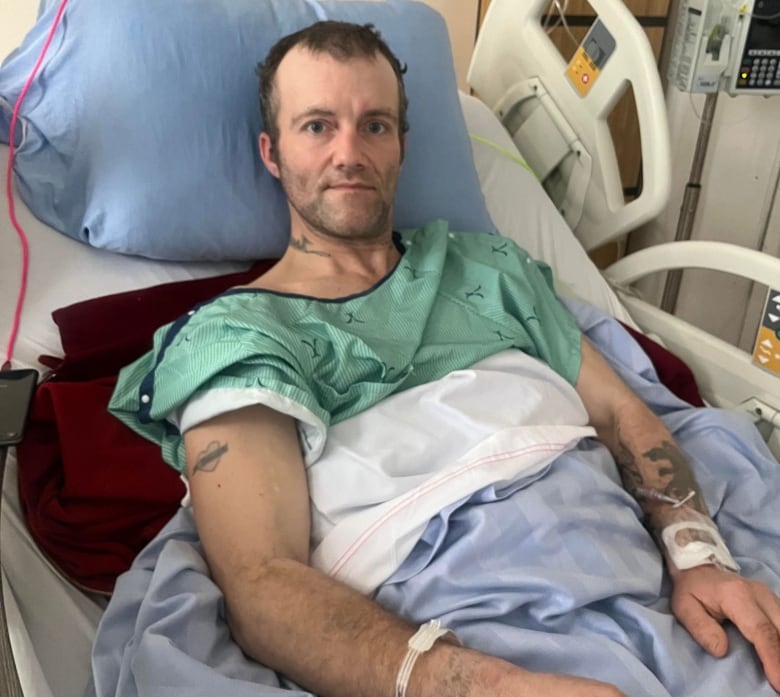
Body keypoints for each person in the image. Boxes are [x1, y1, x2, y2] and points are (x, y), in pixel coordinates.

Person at [108, 20, 780, 697]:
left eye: (374, 125)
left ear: (402, 145)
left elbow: (617, 406)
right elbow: (260, 583)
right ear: (272, 151)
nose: (349, 152)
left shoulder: (489, 268)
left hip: (641, 579)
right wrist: (480, 684)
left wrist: (700, 556)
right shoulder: (235, 335)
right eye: (317, 126)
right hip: (467, 622)